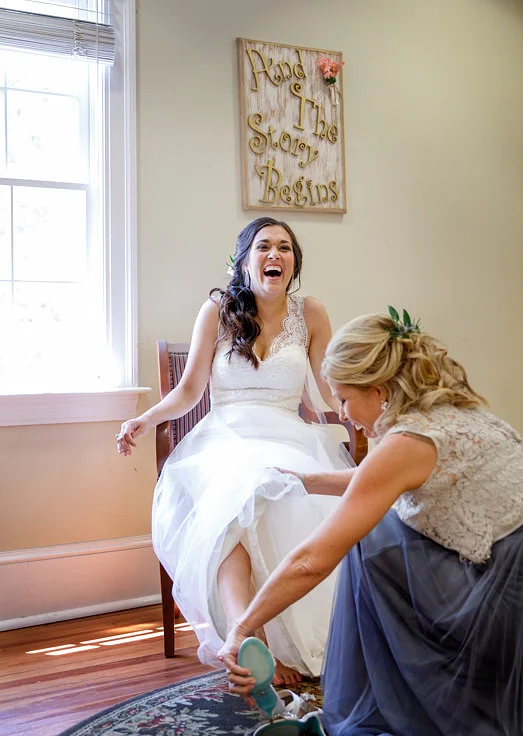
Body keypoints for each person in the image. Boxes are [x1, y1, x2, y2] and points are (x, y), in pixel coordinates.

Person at [220, 309, 523, 736]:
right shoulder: (451, 411)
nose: (342, 412)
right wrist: (306, 480)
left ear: (378, 390)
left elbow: (313, 559)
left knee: (369, 537)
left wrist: (243, 627)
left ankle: (392, 704)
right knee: (383, 523)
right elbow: (376, 477)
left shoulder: (408, 440)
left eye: (343, 398)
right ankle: (399, 692)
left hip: (513, 601)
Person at [116, 217, 354, 686]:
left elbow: (329, 389)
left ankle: (266, 636)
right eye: (264, 246)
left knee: (285, 486)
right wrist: (147, 419)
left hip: (288, 436)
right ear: (243, 260)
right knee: (236, 491)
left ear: (294, 262)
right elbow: (189, 391)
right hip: (224, 437)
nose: (275, 255)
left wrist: (370, 411)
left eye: (285, 248)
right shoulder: (217, 311)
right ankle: (251, 640)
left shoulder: (311, 313)